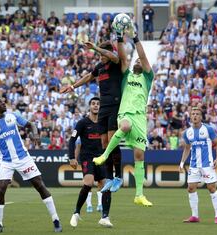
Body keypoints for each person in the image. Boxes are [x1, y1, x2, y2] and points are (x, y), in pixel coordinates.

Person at [93, 23, 153, 207]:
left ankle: (139, 195)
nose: (136, 62)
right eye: (134, 61)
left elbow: (142, 56)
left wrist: (135, 38)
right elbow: (123, 56)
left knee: (139, 156)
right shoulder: (126, 76)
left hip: (140, 118)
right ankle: (105, 156)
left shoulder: (147, 77)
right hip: (125, 113)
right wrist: (120, 36)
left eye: (139, 62)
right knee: (124, 126)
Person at [0, 95, 62, 233]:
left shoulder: (13, 116)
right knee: (0, 189)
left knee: (39, 185)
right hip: (6, 161)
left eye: (3, 100)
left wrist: (36, 134)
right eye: (0, 102)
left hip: (23, 158)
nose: (3, 102)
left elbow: (31, 124)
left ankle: (56, 220)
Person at [60, 41, 123, 193]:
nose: (100, 57)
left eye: (102, 54)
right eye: (99, 55)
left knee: (112, 141)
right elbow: (89, 76)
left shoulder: (116, 63)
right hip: (104, 107)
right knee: (104, 144)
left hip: (115, 104)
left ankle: (118, 176)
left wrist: (95, 48)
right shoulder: (99, 67)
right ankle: (109, 177)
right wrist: (73, 86)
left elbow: (112, 56)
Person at [68, 97, 113, 227]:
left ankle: (105, 217)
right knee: (88, 183)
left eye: (98, 104)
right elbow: (72, 140)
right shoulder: (82, 123)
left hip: (101, 158)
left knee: (106, 186)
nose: (96, 106)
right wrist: (72, 157)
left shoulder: (104, 123)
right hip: (87, 158)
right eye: (93, 103)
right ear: (89, 106)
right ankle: (76, 213)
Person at [179, 107, 217, 224]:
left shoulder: (208, 129)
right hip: (194, 165)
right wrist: (182, 163)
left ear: (201, 116)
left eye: (197, 114)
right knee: (191, 188)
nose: (195, 116)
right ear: (190, 116)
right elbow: (187, 148)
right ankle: (195, 216)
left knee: (211, 188)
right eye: (193, 114)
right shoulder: (187, 133)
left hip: (207, 164)